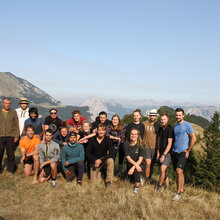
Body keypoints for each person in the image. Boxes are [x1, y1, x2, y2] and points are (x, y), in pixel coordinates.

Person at [172, 108, 197, 201]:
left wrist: (188, 151)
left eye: (179, 115)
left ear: (183, 115)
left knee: (179, 171)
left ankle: (178, 194)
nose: (178, 117)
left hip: (183, 151)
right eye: (177, 115)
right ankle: (181, 188)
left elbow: (194, 138)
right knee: (179, 172)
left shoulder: (187, 125)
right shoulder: (175, 126)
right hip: (175, 151)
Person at [0, 97, 19, 175]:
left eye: (9, 103)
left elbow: (16, 125)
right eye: (6, 103)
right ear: (3, 104)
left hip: (10, 136)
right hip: (0, 136)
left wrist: (16, 136)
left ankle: (11, 170)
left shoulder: (13, 112)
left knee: (11, 154)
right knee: (0, 153)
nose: (7, 105)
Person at [124, 128, 146, 194]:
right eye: (132, 134)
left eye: (135, 134)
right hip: (130, 164)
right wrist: (133, 166)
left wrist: (134, 167)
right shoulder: (126, 144)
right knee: (131, 180)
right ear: (130, 135)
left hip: (140, 165)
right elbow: (128, 157)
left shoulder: (142, 145)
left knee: (136, 170)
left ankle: (136, 188)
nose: (134, 136)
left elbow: (140, 159)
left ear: (138, 135)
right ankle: (139, 178)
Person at [156, 113, 174, 192]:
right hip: (161, 152)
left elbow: (170, 144)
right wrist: (158, 152)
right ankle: (167, 186)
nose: (163, 121)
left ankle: (159, 186)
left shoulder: (170, 129)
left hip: (167, 153)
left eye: (164, 119)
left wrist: (163, 155)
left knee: (162, 168)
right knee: (164, 171)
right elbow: (159, 141)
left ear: (168, 120)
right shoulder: (160, 129)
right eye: (162, 119)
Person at [142, 109, 160, 183]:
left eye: (153, 115)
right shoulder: (144, 123)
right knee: (148, 163)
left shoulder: (158, 125)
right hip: (146, 147)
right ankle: (146, 179)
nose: (152, 116)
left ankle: (149, 178)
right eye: (151, 115)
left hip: (155, 147)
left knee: (151, 165)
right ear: (149, 116)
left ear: (156, 116)